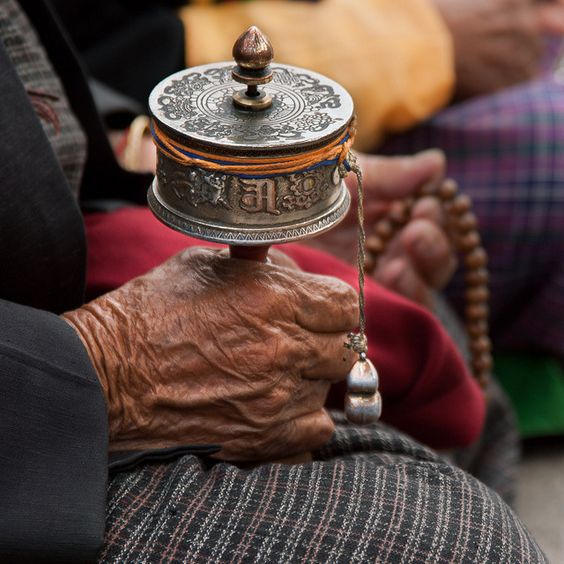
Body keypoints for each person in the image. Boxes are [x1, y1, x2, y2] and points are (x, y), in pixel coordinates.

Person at [0, 1, 545, 562]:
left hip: (64, 224)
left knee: (436, 344)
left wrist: (145, 154)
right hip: (26, 409)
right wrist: (106, 367)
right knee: (461, 544)